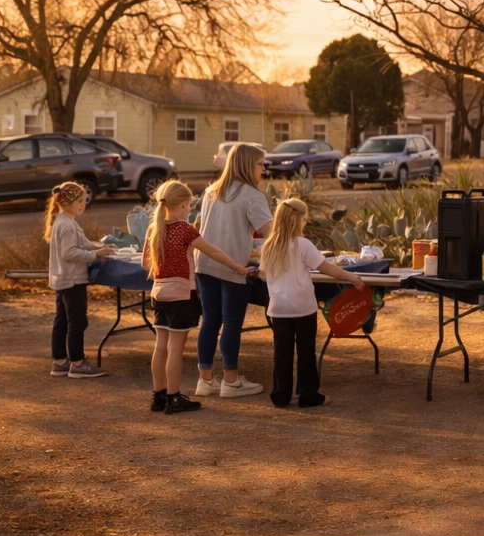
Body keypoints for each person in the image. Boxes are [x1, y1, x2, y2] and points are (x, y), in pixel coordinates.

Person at [144, 180, 253, 415]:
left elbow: (146, 263)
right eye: (189, 205)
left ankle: (159, 395)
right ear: (183, 205)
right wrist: (237, 266)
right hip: (181, 293)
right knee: (175, 349)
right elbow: (212, 250)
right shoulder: (184, 229)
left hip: (158, 292)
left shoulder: (154, 228)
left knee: (160, 347)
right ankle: (174, 397)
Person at [258, 198, 364, 408]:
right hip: (302, 306)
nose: (305, 223)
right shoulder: (303, 245)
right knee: (305, 350)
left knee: (282, 352)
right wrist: (351, 277)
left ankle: (281, 394)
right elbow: (326, 268)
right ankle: (308, 394)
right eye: (304, 219)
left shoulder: (268, 245)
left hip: (278, 308)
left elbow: (262, 273)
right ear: (298, 220)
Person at [194, 143, 273, 399]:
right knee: (230, 322)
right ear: (249, 165)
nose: (264, 169)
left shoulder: (210, 191)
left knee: (210, 320)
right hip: (234, 266)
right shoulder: (253, 195)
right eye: (261, 164)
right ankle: (231, 381)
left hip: (204, 264)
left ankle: (205, 380)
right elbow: (272, 234)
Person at [45, 181, 115, 378]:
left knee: (62, 320)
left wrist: (100, 248)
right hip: (73, 280)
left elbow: (82, 243)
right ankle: (77, 363)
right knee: (77, 321)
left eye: (84, 201)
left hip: (62, 280)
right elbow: (69, 252)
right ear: (67, 202)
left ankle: (59, 361)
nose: (83, 204)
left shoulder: (64, 221)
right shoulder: (67, 225)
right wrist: (95, 256)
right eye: (79, 201)